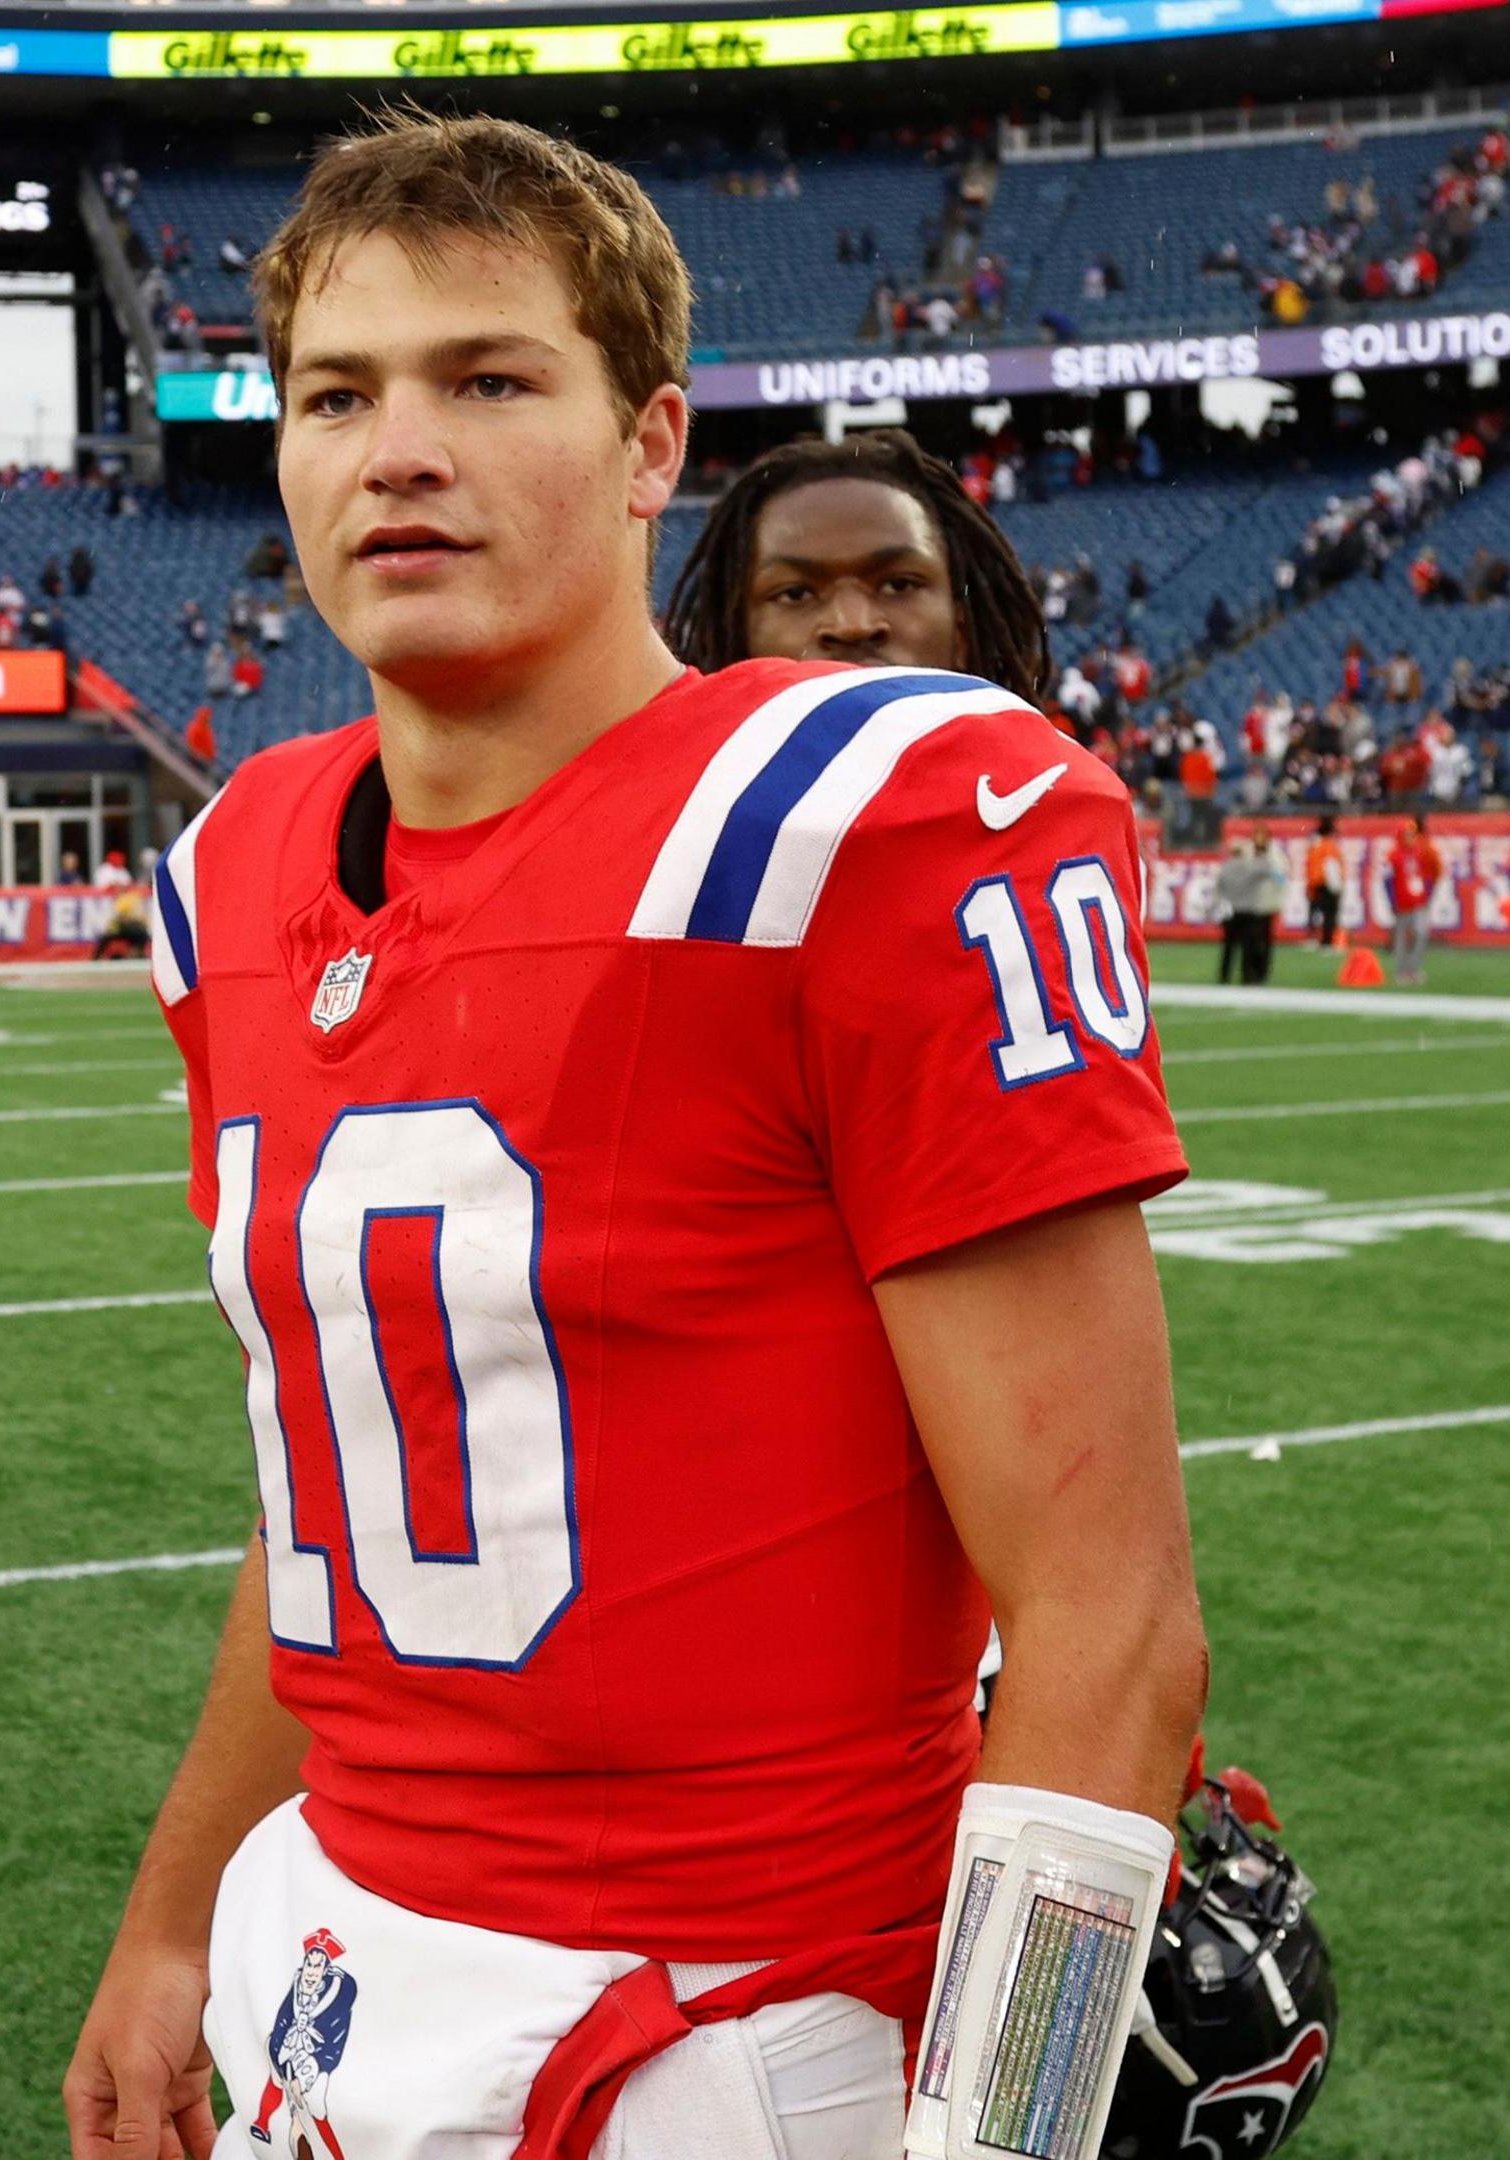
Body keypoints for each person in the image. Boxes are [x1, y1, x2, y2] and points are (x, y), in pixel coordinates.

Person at [65, 113, 1202, 2160]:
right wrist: (167, 1926)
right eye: (339, 395)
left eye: (489, 380)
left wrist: (1011, 2134)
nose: (398, 450)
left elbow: (1112, 1625)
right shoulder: (235, 867)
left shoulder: (864, 814)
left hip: (729, 2036)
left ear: (650, 442)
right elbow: (336, 1475)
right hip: (331, 1975)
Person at [659, 428, 1051, 699]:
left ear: (961, 632)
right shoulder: (682, 819)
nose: (852, 625)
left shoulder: (1073, 814)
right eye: (796, 593)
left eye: (898, 585)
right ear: (738, 640)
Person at [1215, 831, 1284, 983]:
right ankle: (1246, 976)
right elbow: (1272, 871)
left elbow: (1218, 890)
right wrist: (1262, 851)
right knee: (1248, 947)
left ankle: (1224, 976)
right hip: (1248, 912)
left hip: (1230, 912)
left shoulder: (1225, 868)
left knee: (1228, 947)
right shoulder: (1250, 867)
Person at [1384, 812, 1442, 985]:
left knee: (1421, 934)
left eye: (1413, 834)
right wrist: (1392, 900)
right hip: (1402, 902)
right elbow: (1387, 881)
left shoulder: (1420, 853)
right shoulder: (1393, 856)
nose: (1411, 837)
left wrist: (1428, 895)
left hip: (1419, 901)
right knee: (1401, 938)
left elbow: (1430, 875)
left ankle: (1414, 969)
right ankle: (1402, 972)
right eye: (1408, 834)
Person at [1303, 814, 1346, 947]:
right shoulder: (1329, 846)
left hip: (1316, 882)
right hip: (1327, 883)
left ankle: (1314, 938)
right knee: (1329, 913)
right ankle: (1327, 940)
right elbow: (1334, 866)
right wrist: (1338, 884)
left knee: (1316, 911)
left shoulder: (1315, 845)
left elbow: (1311, 865)